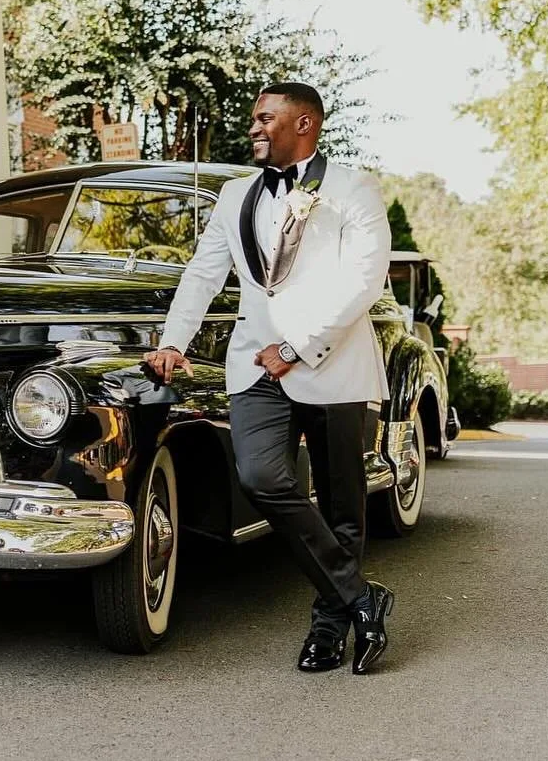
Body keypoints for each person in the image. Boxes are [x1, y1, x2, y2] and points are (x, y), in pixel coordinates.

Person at [144, 83, 395, 674]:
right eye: (254, 119)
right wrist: (174, 340)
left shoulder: (352, 189)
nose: (254, 128)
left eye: (266, 118)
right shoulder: (234, 195)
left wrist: (300, 346)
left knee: (341, 505)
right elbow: (204, 273)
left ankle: (330, 629)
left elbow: (364, 281)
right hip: (256, 362)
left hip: (332, 365)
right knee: (260, 476)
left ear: (304, 123)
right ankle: (361, 597)